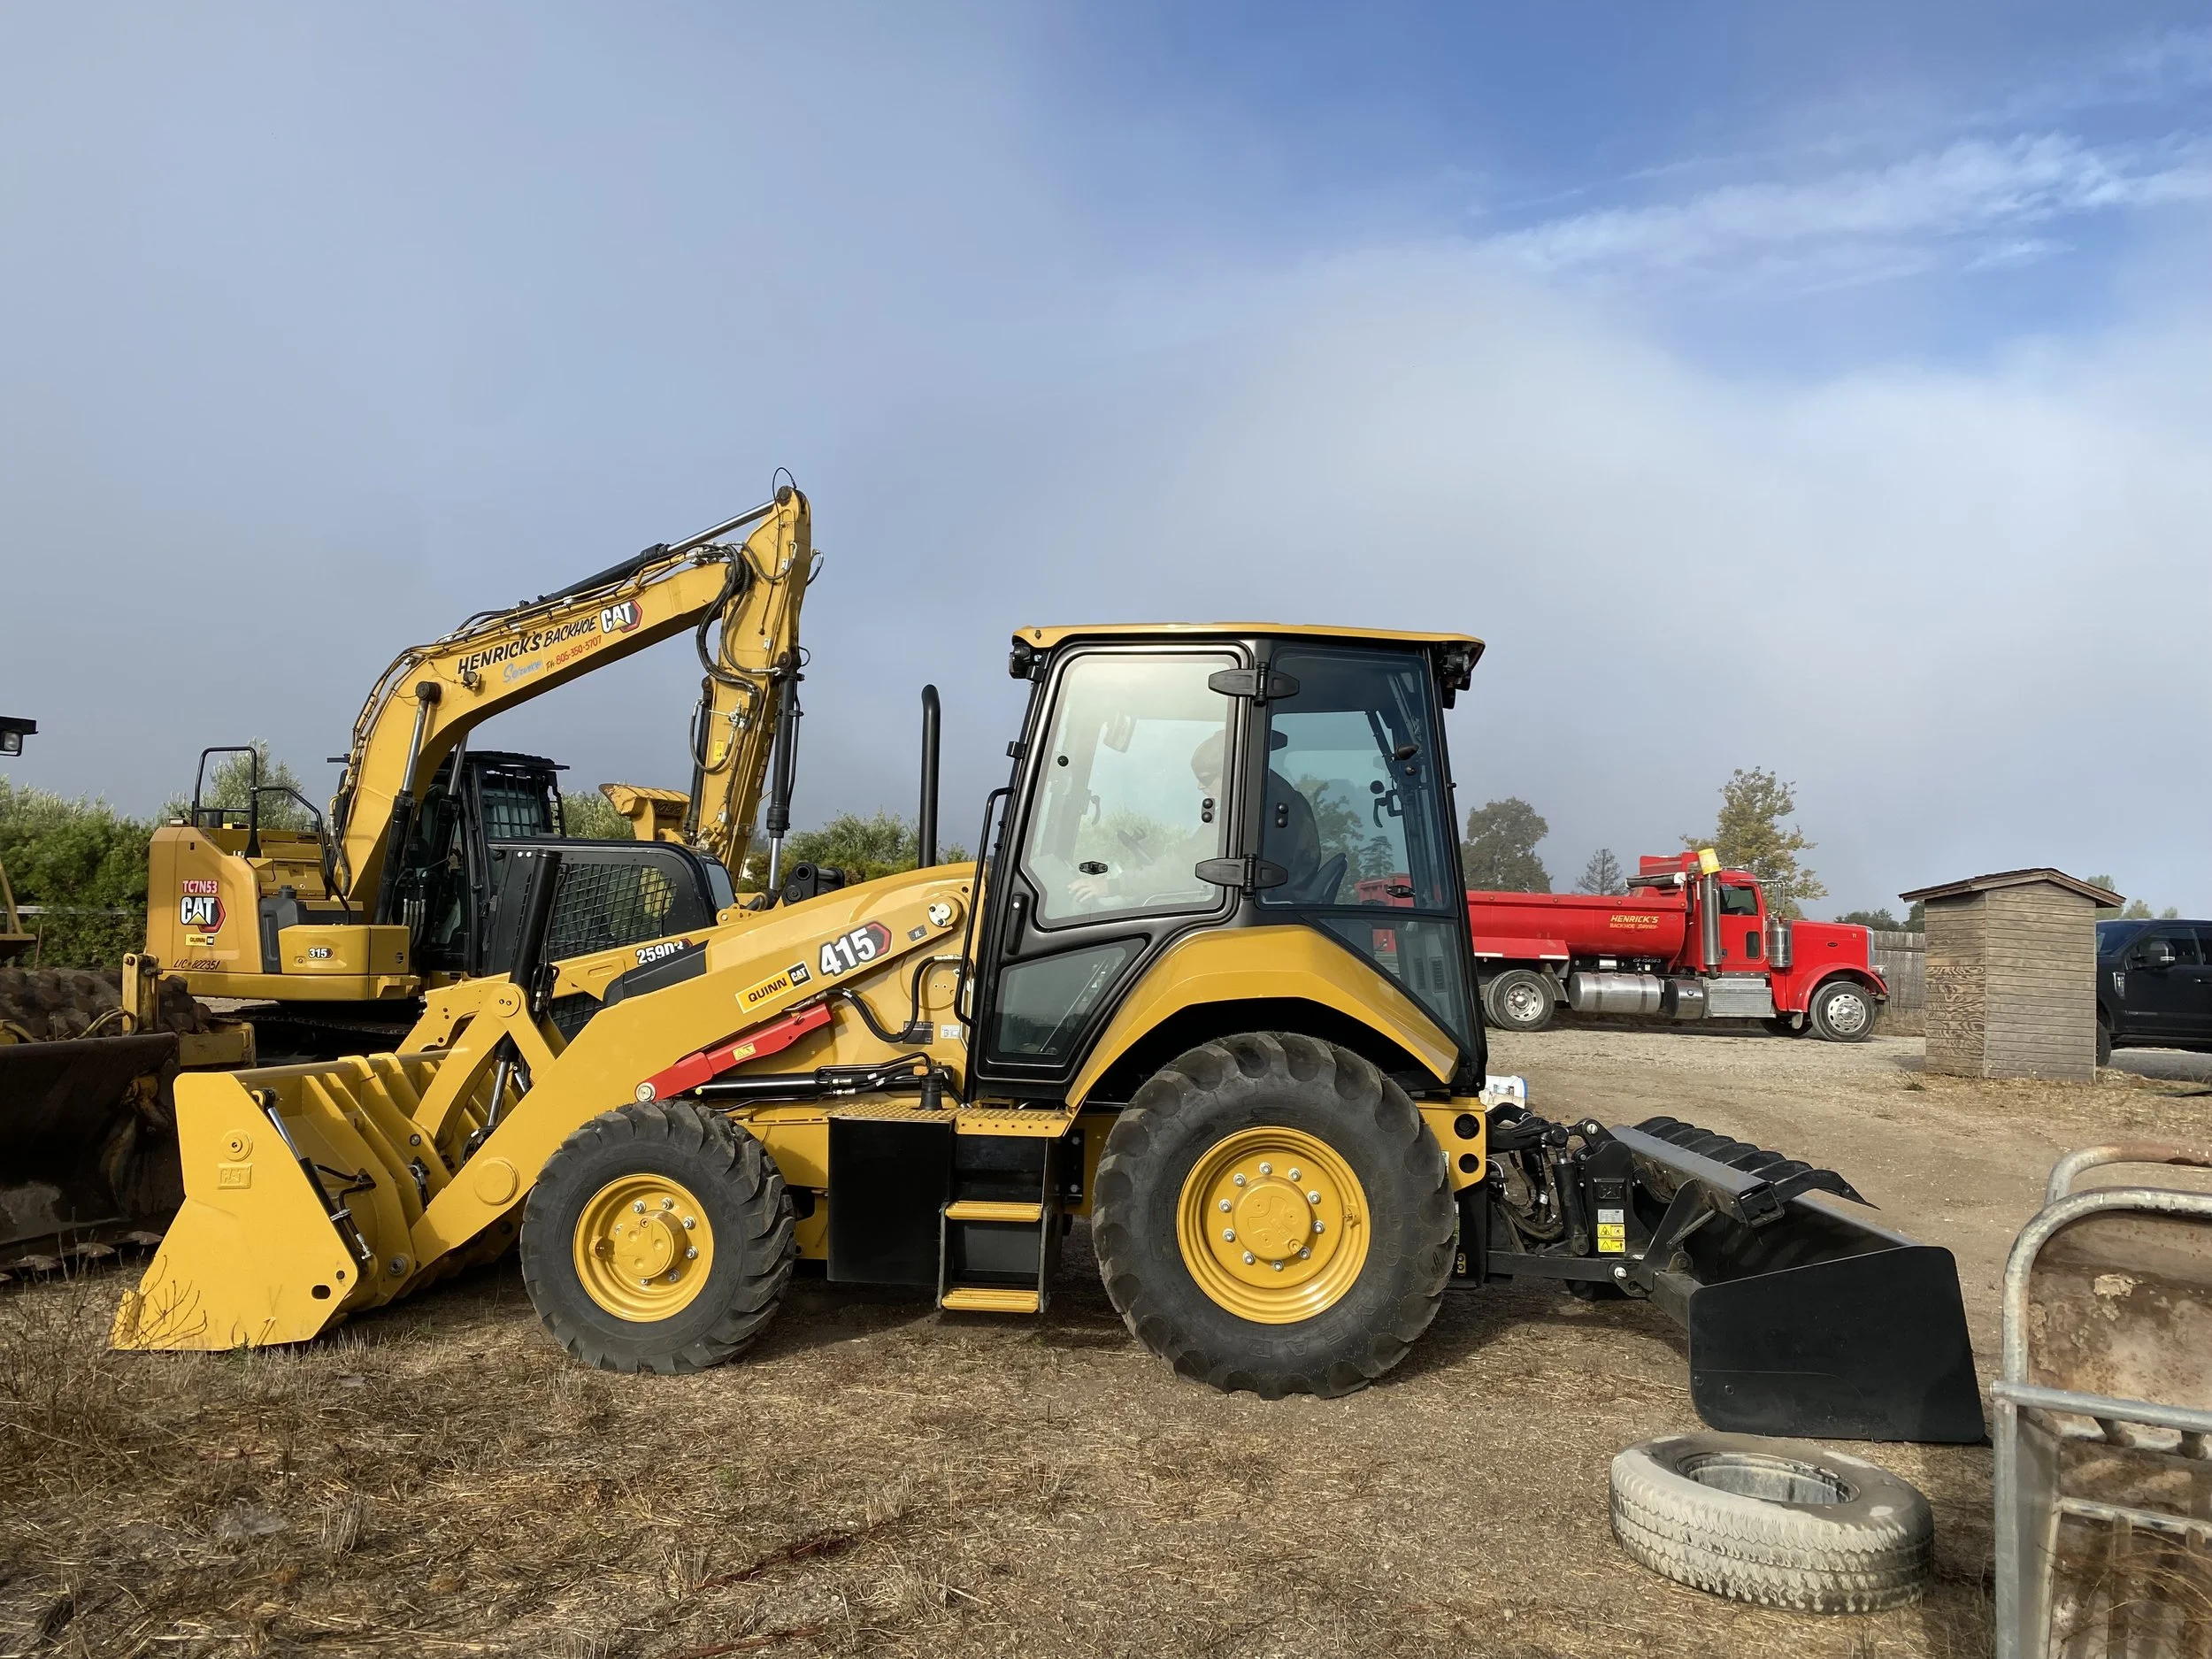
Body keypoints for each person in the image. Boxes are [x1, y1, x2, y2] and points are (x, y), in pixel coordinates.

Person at [1065, 729, 1320, 910]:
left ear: (1233, 772)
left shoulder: (1248, 816)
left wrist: (1113, 886)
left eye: (1207, 778)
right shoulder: (1278, 801)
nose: (1200, 786)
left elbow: (1187, 867)